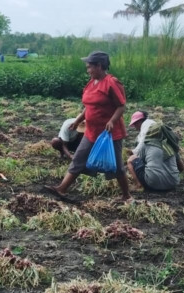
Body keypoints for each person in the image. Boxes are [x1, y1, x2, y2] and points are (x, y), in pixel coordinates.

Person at [44, 51, 131, 202]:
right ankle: (62, 189)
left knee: (116, 165)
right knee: (78, 159)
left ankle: (126, 196)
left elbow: (121, 106)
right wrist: (77, 121)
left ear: (99, 66)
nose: (87, 69)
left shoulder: (111, 83)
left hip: (109, 133)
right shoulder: (92, 82)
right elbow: (89, 106)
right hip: (91, 131)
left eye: (89, 66)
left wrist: (111, 121)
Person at [126, 122, 184, 192]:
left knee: (130, 160)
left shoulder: (146, 145)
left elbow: (142, 162)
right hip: (173, 184)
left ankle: (138, 185)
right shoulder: (170, 146)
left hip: (152, 184)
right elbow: (181, 168)